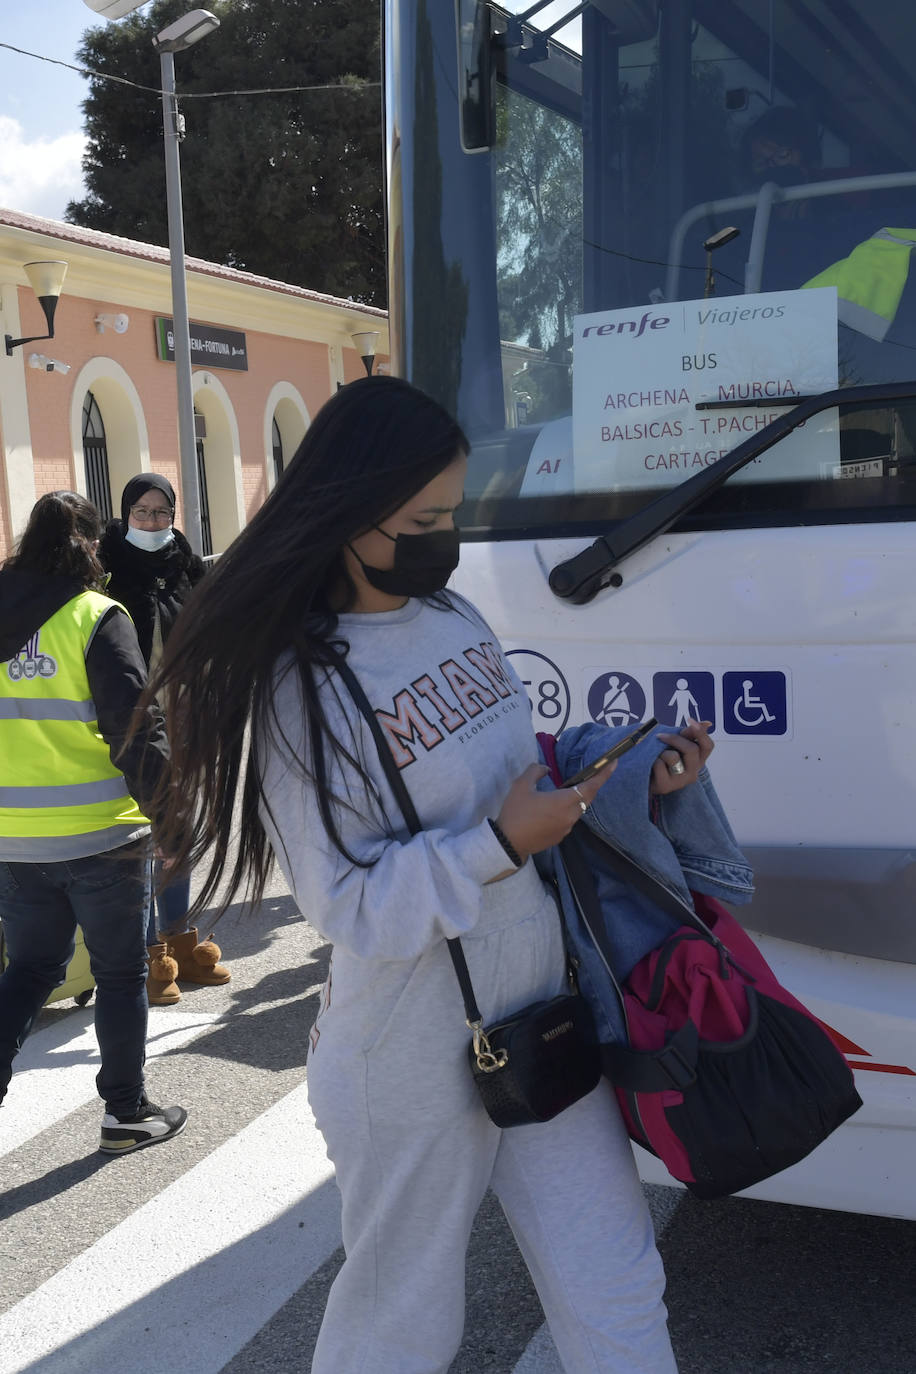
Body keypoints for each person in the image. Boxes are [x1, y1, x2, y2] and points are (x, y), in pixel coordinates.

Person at [146, 376, 713, 1371]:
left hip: (539, 1012)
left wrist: (623, 774)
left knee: (617, 1280)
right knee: (400, 1331)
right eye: (423, 521)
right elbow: (350, 905)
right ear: (346, 513)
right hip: (405, 1053)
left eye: (452, 514)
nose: (444, 539)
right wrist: (499, 845)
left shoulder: (452, 614)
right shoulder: (303, 690)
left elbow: (514, 774)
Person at [0, 491, 187, 1154]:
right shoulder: (95, 616)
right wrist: (170, 820)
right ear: (91, 546)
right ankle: (126, 1112)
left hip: (13, 841)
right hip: (103, 836)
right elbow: (136, 728)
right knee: (118, 973)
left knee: (29, 970)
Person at [99, 473, 229, 1005]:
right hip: (128, 729)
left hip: (184, 721)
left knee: (179, 833)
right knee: (141, 839)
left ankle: (180, 940)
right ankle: (150, 954)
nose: (152, 522)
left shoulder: (186, 568)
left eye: (161, 513)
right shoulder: (105, 570)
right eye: (142, 512)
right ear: (125, 513)